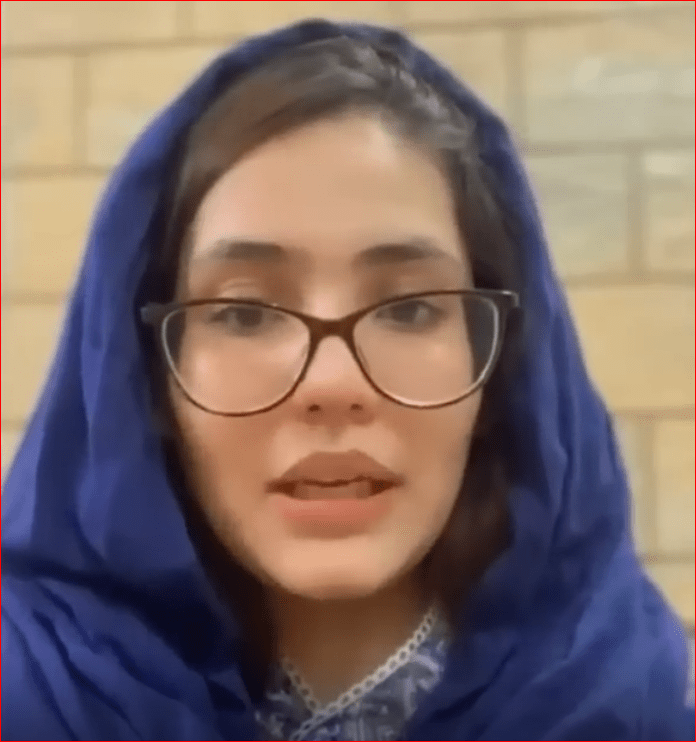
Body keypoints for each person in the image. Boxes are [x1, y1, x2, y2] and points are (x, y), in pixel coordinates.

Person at [1, 20, 692, 741]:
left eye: (411, 308)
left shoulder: (634, 709)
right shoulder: (31, 705)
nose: (331, 383)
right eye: (243, 312)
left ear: (499, 368)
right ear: (146, 380)